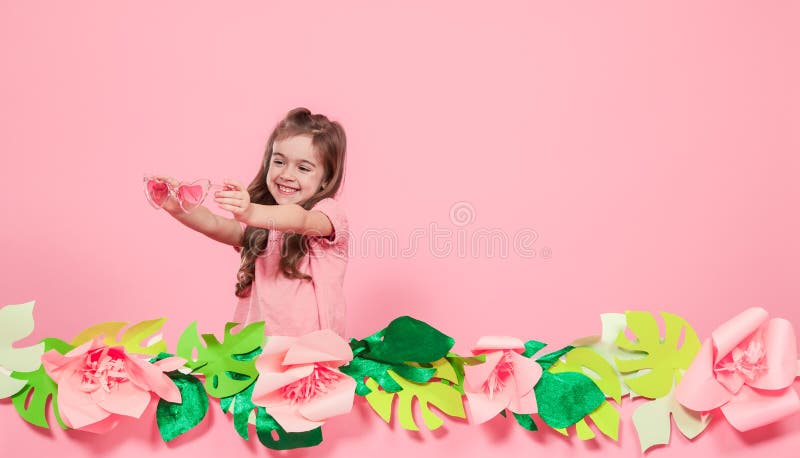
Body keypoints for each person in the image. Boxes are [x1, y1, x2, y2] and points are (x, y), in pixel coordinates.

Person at [152, 107, 348, 337]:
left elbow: (301, 219)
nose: (286, 174)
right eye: (279, 162)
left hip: (309, 349)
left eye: (303, 168)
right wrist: (179, 208)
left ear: (326, 179)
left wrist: (251, 212)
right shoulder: (260, 221)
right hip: (256, 348)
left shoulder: (326, 213)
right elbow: (215, 224)